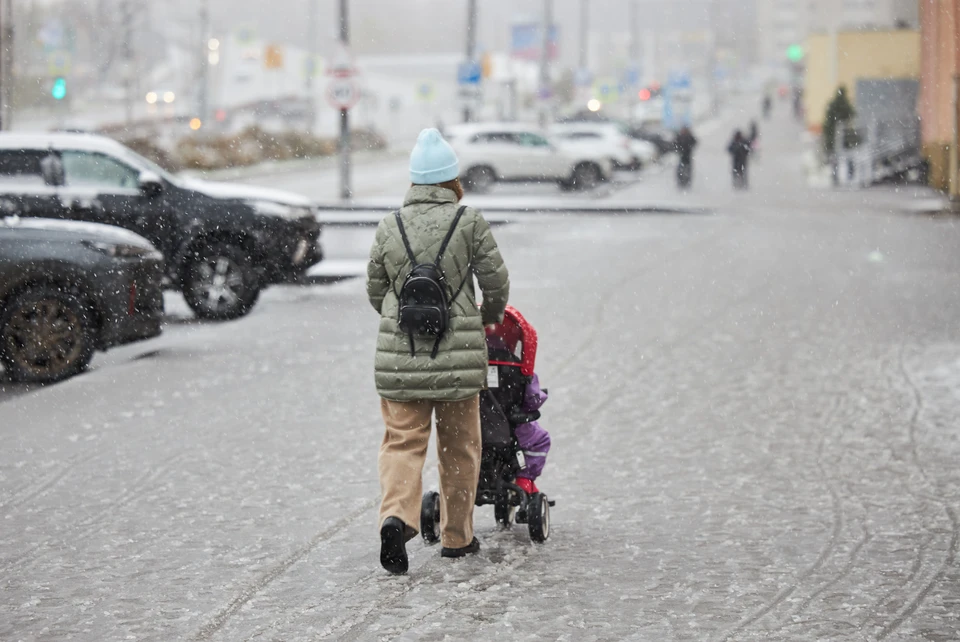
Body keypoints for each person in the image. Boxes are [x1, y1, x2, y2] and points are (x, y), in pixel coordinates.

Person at [367, 128, 510, 575]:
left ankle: (396, 518)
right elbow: (496, 281)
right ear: (452, 179)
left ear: (414, 179)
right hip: (459, 360)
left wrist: (402, 318)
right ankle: (456, 537)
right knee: (460, 448)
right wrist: (486, 317)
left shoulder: (390, 225)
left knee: (402, 444)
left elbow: (375, 291)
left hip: (401, 360)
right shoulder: (469, 222)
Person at [484, 332, 551, 494]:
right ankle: (524, 479)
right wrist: (541, 396)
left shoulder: (471, 366)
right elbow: (532, 400)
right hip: (509, 428)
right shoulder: (517, 368)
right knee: (541, 440)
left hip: (475, 425)